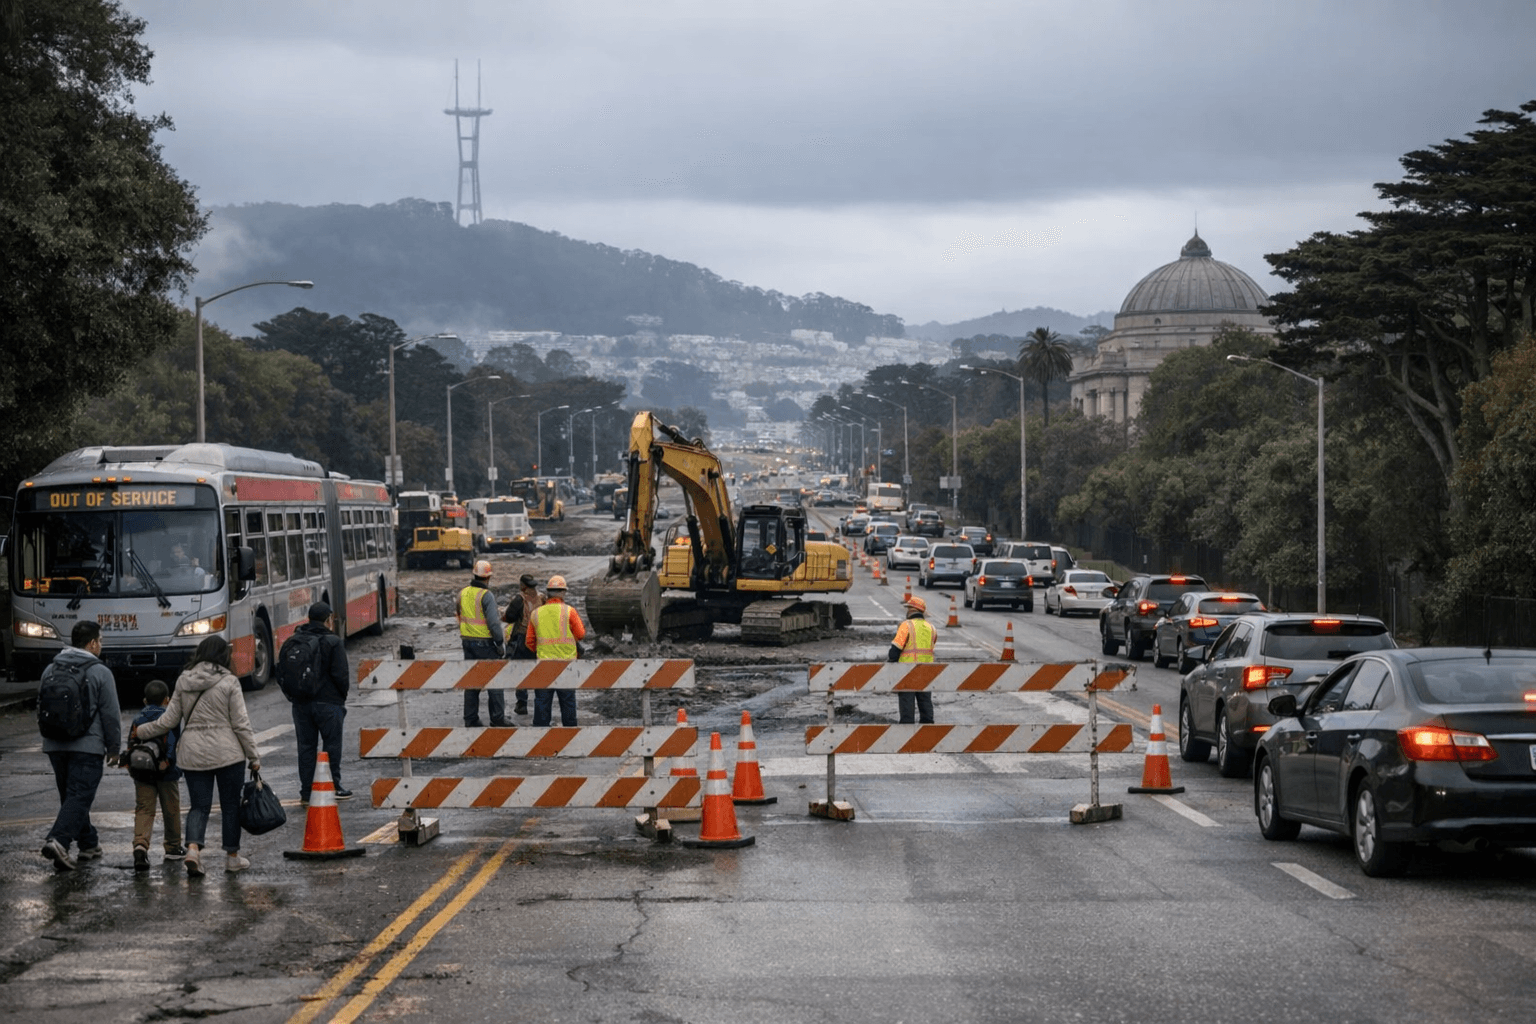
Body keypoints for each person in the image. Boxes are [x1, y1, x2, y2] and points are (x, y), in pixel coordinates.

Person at [133, 635, 260, 876]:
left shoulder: (184, 680)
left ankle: (193, 850)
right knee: (230, 806)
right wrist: (254, 756)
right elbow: (241, 724)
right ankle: (232, 857)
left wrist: (142, 730)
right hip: (228, 754)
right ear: (223, 656)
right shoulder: (230, 681)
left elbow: (169, 720)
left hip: (192, 754)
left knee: (199, 807)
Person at [40, 621, 122, 872]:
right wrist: (114, 748)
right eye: (101, 640)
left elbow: (40, 705)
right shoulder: (100, 672)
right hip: (87, 746)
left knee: (72, 796)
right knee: (79, 795)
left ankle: (88, 844)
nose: (101, 645)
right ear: (92, 643)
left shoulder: (50, 668)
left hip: (54, 744)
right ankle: (59, 840)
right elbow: (110, 714)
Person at [285, 602, 352, 802]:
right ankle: (333, 786)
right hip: (329, 703)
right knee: (332, 745)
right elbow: (341, 675)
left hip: (301, 703)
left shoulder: (295, 640)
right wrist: (341, 697)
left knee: (305, 747)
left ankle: (306, 791)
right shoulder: (333, 641)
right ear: (328, 619)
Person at [126, 679, 186, 870]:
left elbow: (131, 743)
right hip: (166, 771)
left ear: (145, 701)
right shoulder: (170, 718)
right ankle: (173, 846)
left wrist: (130, 766)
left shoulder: (138, 719)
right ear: (167, 700)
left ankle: (141, 846)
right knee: (171, 808)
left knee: (144, 808)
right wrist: (169, 763)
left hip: (142, 771)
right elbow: (173, 743)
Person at [527, 574, 586, 727]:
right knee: (568, 704)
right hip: (566, 665)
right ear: (563, 593)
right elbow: (580, 634)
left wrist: (541, 650)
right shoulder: (569, 611)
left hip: (544, 665)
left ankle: (539, 740)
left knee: (542, 704)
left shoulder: (536, 613)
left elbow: (529, 642)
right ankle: (569, 737)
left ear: (548, 593)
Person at [458, 559, 508, 727]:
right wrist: (499, 643)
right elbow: (494, 623)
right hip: (485, 644)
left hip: (467, 642)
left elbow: (459, 613)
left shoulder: (463, 593)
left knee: (472, 681)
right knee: (495, 681)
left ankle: (470, 718)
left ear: (474, 574)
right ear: (488, 578)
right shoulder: (486, 595)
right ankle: (497, 718)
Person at [887, 594, 936, 724]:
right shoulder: (931, 628)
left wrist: (892, 663)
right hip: (926, 671)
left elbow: (894, 651)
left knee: (907, 705)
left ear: (912, 610)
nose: (907, 611)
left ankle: (906, 735)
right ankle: (927, 733)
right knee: (925, 702)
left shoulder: (906, 625)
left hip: (907, 671)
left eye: (908, 608)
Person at [500, 572, 542, 716]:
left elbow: (510, 617)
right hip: (538, 639)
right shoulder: (542, 598)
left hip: (522, 638)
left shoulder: (519, 599)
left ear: (522, 585)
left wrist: (502, 614)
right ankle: (540, 701)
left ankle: (522, 703)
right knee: (537, 670)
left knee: (521, 671)